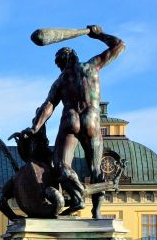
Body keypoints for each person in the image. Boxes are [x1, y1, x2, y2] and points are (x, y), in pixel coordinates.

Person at [27, 25, 124, 219]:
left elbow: (48, 106)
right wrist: (98, 35)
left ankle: (78, 194)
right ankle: (96, 212)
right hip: (92, 119)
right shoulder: (92, 66)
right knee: (95, 168)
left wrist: (35, 127)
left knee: (61, 166)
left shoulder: (61, 80)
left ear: (62, 64)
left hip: (70, 118)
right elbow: (119, 45)